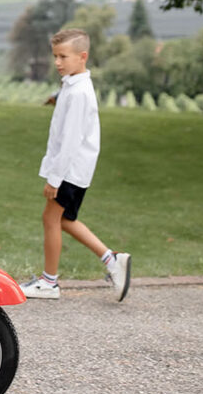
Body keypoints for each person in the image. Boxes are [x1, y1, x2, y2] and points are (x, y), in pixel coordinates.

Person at [19, 28, 131, 302]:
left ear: (83, 57)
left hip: (70, 170)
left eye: (63, 56)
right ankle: (112, 259)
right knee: (65, 220)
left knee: (50, 218)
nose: (57, 62)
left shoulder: (79, 92)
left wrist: (54, 179)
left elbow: (70, 140)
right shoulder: (72, 84)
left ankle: (49, 282)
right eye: (55, 56)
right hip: (73, 169)